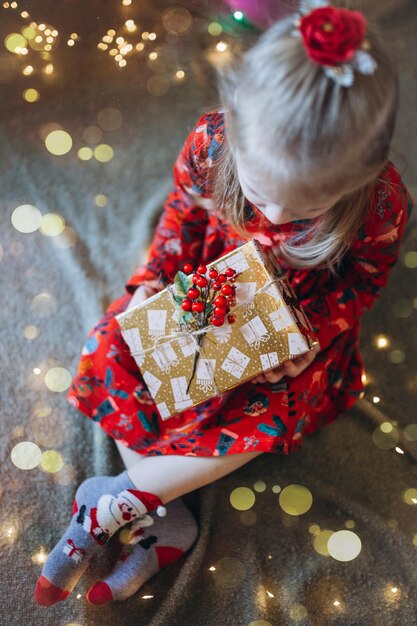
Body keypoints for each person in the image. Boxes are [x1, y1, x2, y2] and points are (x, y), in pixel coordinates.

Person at [34, 1, 414, 607]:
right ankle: (158, 510)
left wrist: (315, 335)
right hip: (208, 280)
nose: (277, 219)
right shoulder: (212, 142)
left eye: (306, 210)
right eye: (263, 194)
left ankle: (113, 502)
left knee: (269, 413)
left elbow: (364, 282)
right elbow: (180, 216)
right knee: (112, 350)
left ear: (362, 174)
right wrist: (153, 281)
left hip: (301, 314)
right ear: (234, 124)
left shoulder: (383, 205)